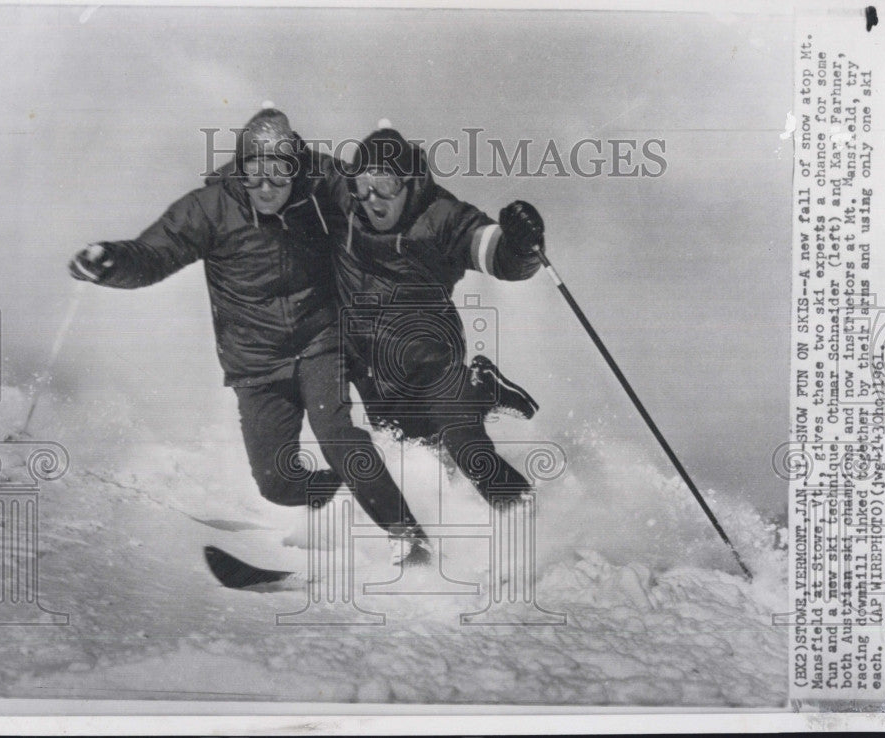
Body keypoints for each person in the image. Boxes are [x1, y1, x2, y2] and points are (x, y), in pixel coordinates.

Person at [67, 106, 431, 567]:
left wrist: (398, 170)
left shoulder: (321, 186)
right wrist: (111, 262)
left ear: (294, 171)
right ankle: (336, 497)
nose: (265, 188)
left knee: (336, 433)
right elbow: (154, 254)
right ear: (239, 170)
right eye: (254, 175)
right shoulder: (210, 208)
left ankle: (409, 536)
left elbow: (378, 198)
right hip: (255, 362)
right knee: (275, 484)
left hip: (320, 339)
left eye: (278, 176)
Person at [332, 123, 545, 550]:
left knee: (463, 443)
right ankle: (483, 387)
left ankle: (530, 530)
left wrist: (521, 246)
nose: (373, 199)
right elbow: (292, 164)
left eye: (386, 185)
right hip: (373, 371)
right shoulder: (346, 205)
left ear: (409, 182)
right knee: (421, 460)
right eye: (363, 187)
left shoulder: (441, 216)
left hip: (431, 359)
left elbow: (494, 252)